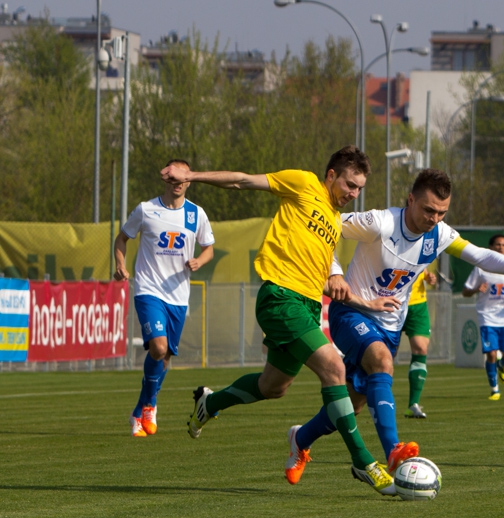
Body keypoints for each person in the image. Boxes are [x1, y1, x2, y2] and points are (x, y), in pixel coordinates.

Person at [285, 169, 504, 491]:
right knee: (382, 362)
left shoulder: (439, 233)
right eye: (428, 210)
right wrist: (334, 272)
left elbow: (478, 255)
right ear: (410, 199)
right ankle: (394, 452)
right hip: (352, 312)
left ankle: (300, 439)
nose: (434, 218)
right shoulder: (381, 222)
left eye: (442, 212)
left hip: (389, 325)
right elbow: (323, 231)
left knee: (351, 405)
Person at [160, 146, 396, 495]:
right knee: (334, 368)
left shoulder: (333, 221)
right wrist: (192, 176)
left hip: (307, 305)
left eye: (359, 188)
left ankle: (209, 403)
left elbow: (325, 269)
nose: (353, 193)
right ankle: (363, 462)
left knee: (274, 387)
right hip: (280, 298)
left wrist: (365, 300)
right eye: (349, 184)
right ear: (331, 175)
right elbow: (242, 181)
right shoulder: (302, 183)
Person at [114, 158, 215, 438]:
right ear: (167, 179)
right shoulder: (146, 210)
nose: (179, 183)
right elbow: (121, 238)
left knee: (166, 356)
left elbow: (209, 248)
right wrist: (120, 264)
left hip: (178, 296)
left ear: (189, 181)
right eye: (174, 178)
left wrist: (200, 261)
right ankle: (150, 404)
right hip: (149, 290)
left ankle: (139, 411)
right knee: (158, 349)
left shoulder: (196, 214)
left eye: (184, 178)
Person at [462, 234, 504, 400]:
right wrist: (476, 289)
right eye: (497, 244)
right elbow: (465, 291)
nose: (500, 248)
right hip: (487, 317)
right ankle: (494, 389)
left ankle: (501, 365)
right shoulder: (480, 268)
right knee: (490, 353)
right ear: (490, 247)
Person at [401, 268, 437, 418]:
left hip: (418, 305)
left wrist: (429, 277)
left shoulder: (421, 244)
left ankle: (413, 405)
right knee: (385, 356)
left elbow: (423, 269)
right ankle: (377, 401)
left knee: (421, 348)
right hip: (393, 303)